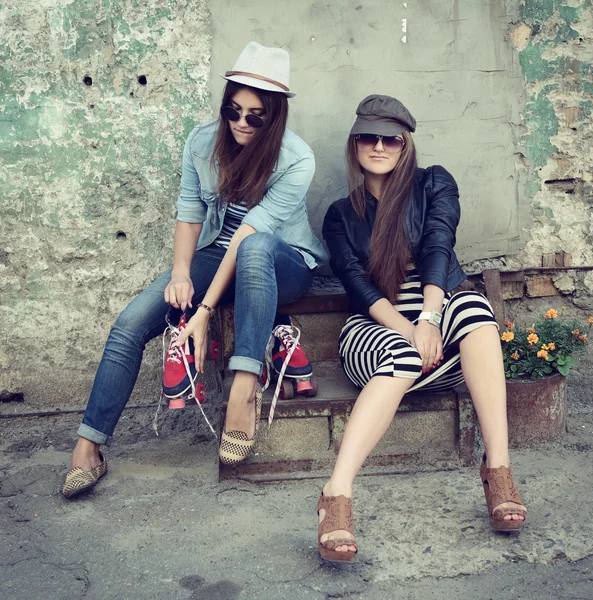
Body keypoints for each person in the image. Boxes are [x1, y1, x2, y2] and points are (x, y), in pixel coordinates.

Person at [61, 42, 326, 498]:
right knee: (131, 322)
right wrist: (181, 272)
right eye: (233, 110)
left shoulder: (296, 158)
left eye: (255, 115)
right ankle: (88, 446)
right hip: (215, 257)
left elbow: (248, 236)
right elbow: (189, 210)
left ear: (275, 114)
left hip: (282, 263)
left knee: (257, 245)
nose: (241, 123)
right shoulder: (202, 141)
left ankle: (245, 391)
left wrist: (203, 311)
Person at [318, 95, 526, 563]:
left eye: (389, 138)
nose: (378, 145)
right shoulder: (340, 214)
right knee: (405, 355)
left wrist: (430, 318)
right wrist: (410, 330)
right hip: (376, 326)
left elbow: (438, 244)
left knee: (473, 308)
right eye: (368, 136)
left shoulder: (434, 183)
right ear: (355, 144)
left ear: (404, 144)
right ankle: (336, 494)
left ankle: (498, 469)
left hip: (438, 315)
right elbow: (358, 286)